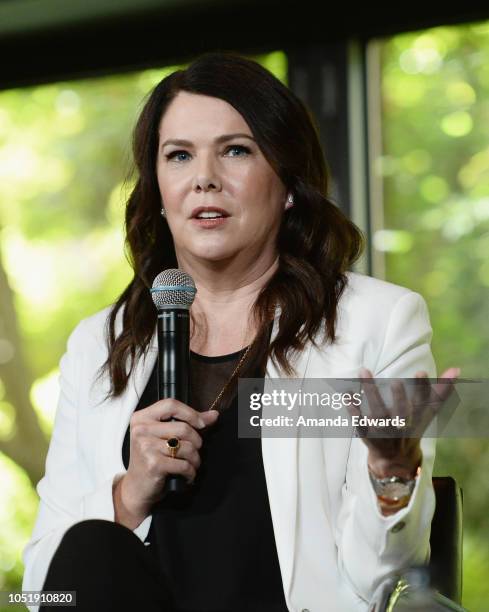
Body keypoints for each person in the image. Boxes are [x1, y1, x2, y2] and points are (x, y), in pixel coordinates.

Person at [21, 52, 459, 612]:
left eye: (235, 151)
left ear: (289, 183)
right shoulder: (99, 345)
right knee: (87, 544)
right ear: (157, 191)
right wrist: (128, 496)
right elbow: (42, 591)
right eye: (179, 155)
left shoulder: (375, 323)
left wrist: (392, 473)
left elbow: (380, 587)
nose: (204, 178)